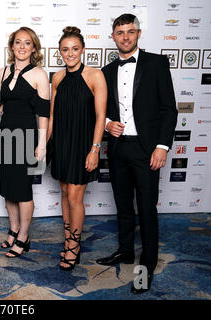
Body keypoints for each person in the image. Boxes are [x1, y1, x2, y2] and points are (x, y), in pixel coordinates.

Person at [95, 14, 177, 294]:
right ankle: (125, 251)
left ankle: (147, 266)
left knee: (147, 208)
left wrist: (162, 147)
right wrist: (107, 124)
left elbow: (169, 109)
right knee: (123, 205)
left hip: (147, 150)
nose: (125, 37)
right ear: (113, 36)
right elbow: (100, 111)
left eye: (130, 32)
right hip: (118, 148)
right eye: (120, 32)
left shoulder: (156, 63)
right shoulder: (105, 71)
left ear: (139, 34)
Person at [47, 27, 107, 271]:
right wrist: (46, 145)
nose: (70, 53)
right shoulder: (58, 78)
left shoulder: (95, 76)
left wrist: (95, 149)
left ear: (82, 50)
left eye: (74, 49)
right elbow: (52, 115)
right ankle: (68, 236)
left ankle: (74, 245)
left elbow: (101, 115)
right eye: (65, 49)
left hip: (83, 143)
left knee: (75, 196)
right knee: (64, 191)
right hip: (61, 142)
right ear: (60, 52)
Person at [0, 27, 50, 258]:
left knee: (23, 190)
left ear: (34, 48)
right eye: (18, 42)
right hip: (5, 136)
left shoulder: (39, 74)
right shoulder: (3, 72)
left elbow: (44, 113)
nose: (22, 47)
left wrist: (41, 143)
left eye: (27, 43)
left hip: (26, 136)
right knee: (8, 188)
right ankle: (13, 229)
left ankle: (24, 236)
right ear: (12, 46)